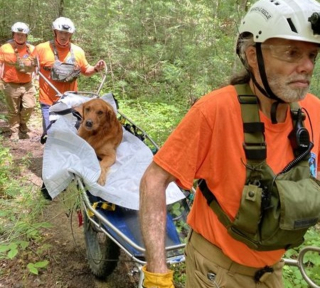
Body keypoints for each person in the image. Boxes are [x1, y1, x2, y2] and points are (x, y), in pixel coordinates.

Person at [139, 0, 320, 287]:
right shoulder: (216, 111)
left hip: (271, 269)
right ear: (252, 55)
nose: (307, 66)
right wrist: (157, 273)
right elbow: (154, 180)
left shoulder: (314, 112)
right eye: (292, 52)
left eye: (312, 54)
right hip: (216, 270)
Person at [32, 17, 106, 136]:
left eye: (67, 33)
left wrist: (96, 68)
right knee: (50, 134)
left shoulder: (78, 51)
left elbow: (86, 70)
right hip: (48, 101)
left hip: (71, 101)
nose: (64, 36)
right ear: (55, 31)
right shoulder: (41, 49)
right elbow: (31, 67)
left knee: (70, 133)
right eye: (61, 32)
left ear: (71, 34)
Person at [0, 22, 37, 140]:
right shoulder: (5, 48)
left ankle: (23, 122)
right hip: (10, 83)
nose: (20, 36)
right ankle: (15, 131)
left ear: (26, 36)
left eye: (22, 34)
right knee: (13, 109)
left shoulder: (32, 49)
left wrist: (36, 76)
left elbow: (36, 65)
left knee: (30, 105)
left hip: (27, 84)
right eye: (17, 34)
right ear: (13, 34)